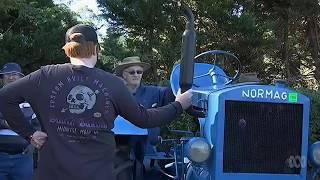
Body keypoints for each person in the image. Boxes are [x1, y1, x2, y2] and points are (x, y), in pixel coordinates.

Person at [0, 24, 192, 180]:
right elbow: (145, 119)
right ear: (97, 49)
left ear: (68, 51)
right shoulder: (113, 84)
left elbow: (5, 97)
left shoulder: (44, 76)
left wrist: (30, 134)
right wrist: (180, 104)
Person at [114, 56, 175, 179]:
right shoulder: (113, 93)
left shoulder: (154, 92)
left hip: (149, 154)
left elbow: (174, 95)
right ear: (123, 74)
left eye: (139, 72)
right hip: (119, 154)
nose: (136, 75)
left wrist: (180, 79)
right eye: (132, 72)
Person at [0, 63, 41, 180]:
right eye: (7, 75)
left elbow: (37, 126)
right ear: (2, 79)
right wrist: (18, 124)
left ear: (21, 79)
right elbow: (26, 125)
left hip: (23, 159)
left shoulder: (30, 101)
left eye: (15, 74)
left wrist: (33, 147)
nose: (11, 77)